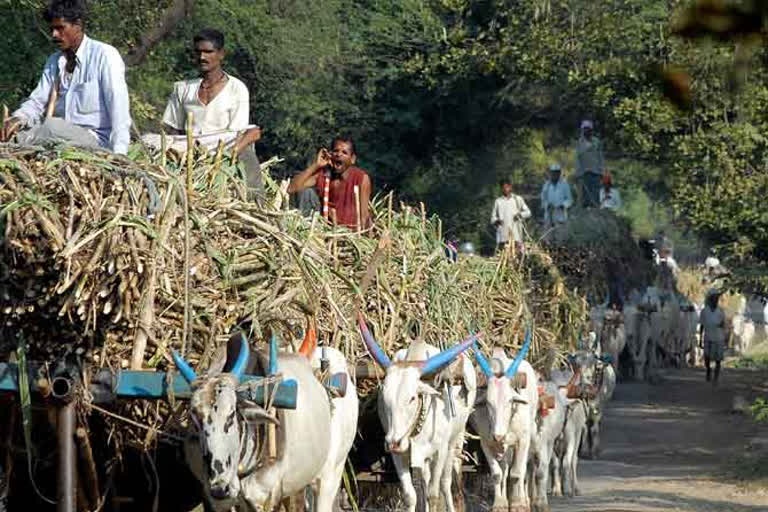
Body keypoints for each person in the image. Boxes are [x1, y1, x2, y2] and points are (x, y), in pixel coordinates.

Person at [141, 29, 263, 201]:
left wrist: (229, 152)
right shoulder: (183, 88)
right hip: (190, 145)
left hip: (224, 145)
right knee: (147, 140)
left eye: (208, 52)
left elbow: (237, 132)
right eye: (198, 52)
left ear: (221, 54)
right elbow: (173, 129)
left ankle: (255, 202)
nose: (202, 57)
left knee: (248, 152)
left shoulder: (237, 88)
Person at [1, 0, 131, 154]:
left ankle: (10, 147)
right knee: (35, 127)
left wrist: (120, 153)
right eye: (52, 29)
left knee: (51, 127)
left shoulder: (105, 55)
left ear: (78, 25)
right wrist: (19, 118)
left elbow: (119, 107)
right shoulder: (54, 61)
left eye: (60, 28)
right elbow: (37, 102)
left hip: (95, 141)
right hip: (58, 138)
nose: (54, 35)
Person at [287, 136, 372, 229]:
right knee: (307, 193)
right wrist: (316, 164)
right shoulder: (324, 174)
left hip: (348, 232)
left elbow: (364, 216)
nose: (338, 154)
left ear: (352, 159)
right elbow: (291, 189)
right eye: (335, 151)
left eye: (344, 152)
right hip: (323, 228)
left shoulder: (361, 179)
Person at [490, 178, 531, 253]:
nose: (505, 189)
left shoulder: (517, 199)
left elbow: (528, 212)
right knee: (503, 255)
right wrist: (497, 221)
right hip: (503, 237)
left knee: (517, 255)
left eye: (507, 187)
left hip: (516, 235)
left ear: (510, 187)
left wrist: (520, 215)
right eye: (503, 188)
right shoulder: (498, 201)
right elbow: (492, 218)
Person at [699, 288, 727, 384]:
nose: (716, 299)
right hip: (708, 337)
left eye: (717, 298)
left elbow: (724, 325)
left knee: (718, 359)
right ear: (710, 299)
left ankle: (716, 378)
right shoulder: (704, 311)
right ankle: (708, 370)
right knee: (707, 357)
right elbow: (702, 325)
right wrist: (700, 339)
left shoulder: (721, 311)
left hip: (719, 338)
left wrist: (721, 326)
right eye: (714, 297)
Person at [575, 120, 605, 208]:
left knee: (595, 194)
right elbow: (577, 158)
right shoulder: (579, 143)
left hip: (596, 172)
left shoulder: (597, 142)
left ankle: (595, 210)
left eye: (588, 129)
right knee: (585, 195)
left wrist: (602, 171)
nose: (586, 131)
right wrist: (578, 173)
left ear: (591, 130)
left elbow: (601, 157)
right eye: (584, 129)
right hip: (584, 172)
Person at [540, 163, 573, 228]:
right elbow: (543, 200)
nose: (555, 174)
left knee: (561, 237)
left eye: (557, 172)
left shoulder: (564, 185)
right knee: (549, 237)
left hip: (561, 217)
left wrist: (563, 205)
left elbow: (570, 200)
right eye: (553, 172)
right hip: (548, 218)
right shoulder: (546, 185)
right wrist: (547, 205)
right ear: (550, 173)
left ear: (559, 173)